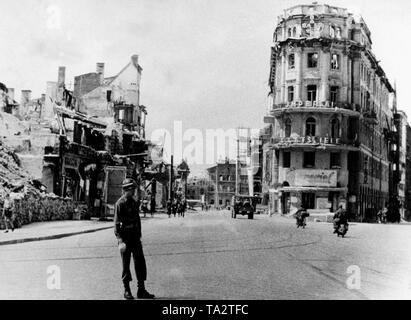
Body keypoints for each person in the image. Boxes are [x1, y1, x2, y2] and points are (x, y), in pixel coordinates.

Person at [114, 178, 155, 300]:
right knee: (126, 265)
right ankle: (127, 290)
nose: (133, 192)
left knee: (140, 263)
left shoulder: (134, 202)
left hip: (135, 237)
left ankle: (141, 289)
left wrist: (139, 235)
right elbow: (116, 224)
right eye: (132, 189)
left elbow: (137, 220)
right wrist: (120, 240)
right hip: (125, 238)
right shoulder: (120, 204)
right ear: (126, 190)